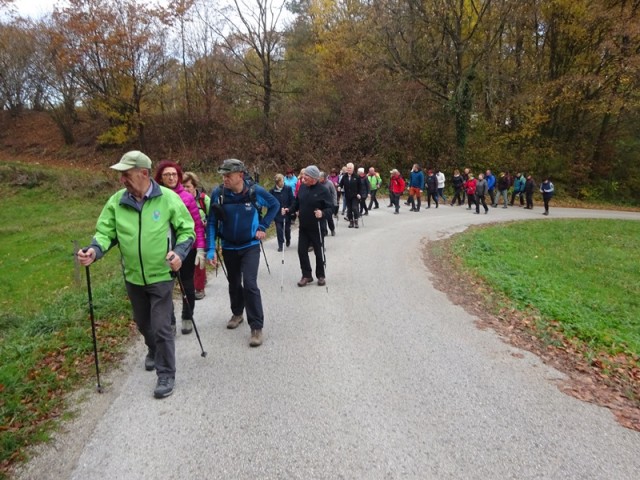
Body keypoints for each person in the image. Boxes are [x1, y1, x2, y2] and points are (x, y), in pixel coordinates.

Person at [77, 151, 195, 399]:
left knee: (162, 327)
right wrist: (94, 250)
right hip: (133, 277)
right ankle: (152, 349)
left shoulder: (168, 199)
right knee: (143, 323)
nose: (122, 180)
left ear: (143, 173)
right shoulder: (117, 202)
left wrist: (179, 253)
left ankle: (165, 374)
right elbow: (105, 232)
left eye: (126, 174)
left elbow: (187, 231)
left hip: (161, 274)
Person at [206, 158, 279, 347]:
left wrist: (263, 225)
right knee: (233, 282)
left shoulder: (255, 192)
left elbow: (274, 205)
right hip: (229, 246)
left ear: (240, 175)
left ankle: (256, 326)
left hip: (250, 245)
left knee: (250, 283)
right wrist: (211, 249)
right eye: (223, 175)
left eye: (228, 175)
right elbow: (212, 221)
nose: (224, 179)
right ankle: (237, 313)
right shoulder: (218, 193)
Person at [155, 161, 206, 336]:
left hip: (187, 249)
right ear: (160, 178)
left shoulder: (187, 197)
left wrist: (200, 247)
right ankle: (170, 322)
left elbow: (197, 225)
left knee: (187, 284)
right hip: (162, 249)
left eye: (174, 174)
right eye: (167, 175)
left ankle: (187, 316)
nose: (171, 177)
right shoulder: (154, 197)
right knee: (165, 288)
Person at [283, 166, 334, 287]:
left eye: (306, 175)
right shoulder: (302, 188)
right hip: (304, 226)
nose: (303, 177)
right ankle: (307, 275)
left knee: (318, 252)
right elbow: (297, 203)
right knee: (301, 251)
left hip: (317, 226)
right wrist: (289, 210)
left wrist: (322, 213)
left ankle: (320, 275)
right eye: (304, 175)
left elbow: (331, 208)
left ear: (314, 178)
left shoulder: (323, 190)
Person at [183, 171, 210, 300]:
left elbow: (213, 217)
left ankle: (199, 289)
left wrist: (207, 223)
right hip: (185, 236)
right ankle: (200, 279)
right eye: (183, 186)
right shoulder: (179, 199)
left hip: (201, 234)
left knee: (199, 262)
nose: (185, 189)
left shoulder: (204, 199)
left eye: (188, 186)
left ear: (194, 186)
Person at [270, 174, 294, 251]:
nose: (283, 182)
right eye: (282, 181)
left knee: (287, 229)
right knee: (279, 229)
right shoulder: (272, 191)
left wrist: (289, 209)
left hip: (287, 213)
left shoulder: (288, 189)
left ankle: (288, 239)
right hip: (277, 214)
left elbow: (292, 200)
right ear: (277, 182)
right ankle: (281, 245)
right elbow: (270, 203)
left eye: (283, 181)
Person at [338, 162, 363, 228]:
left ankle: (356, 221)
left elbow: (360, 187)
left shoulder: (356, 176)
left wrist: (359, 194)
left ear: (353, 169)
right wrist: (339, 187)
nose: (349, 170)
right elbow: (341, 184)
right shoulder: (344, 176)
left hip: (355, 196)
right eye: (348, 168)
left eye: (350, 168)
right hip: (347, 195)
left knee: (354, 208)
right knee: (349, 209)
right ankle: (351, 221)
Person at [319, 171, 337, 236]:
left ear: (323, 178)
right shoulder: (318, 184)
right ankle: (324, 231)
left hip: (329, 203)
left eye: (320, 178)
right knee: (322, 218)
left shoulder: (329, 183)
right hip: (321, 203)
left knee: (329, 218)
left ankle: (332, 229)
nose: (319, 179)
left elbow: (334, 193)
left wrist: (334, 203)